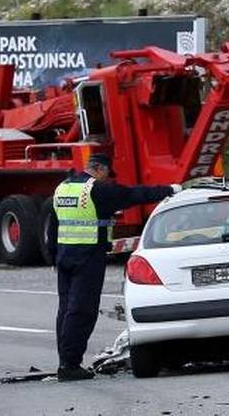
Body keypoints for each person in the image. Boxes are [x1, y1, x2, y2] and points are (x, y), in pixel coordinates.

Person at [49, 153, 180, 381]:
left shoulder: (63, 188)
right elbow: (134, 195)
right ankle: (69, 365)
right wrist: (170, 189)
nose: (108, 179)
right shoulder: (97, 190)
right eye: (107, 174)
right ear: (99, 169)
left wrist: (53, 257)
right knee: (82, 310)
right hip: (88, 256)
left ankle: (66, 360)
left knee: (66, 309)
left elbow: (53, 226)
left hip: (65, 257)